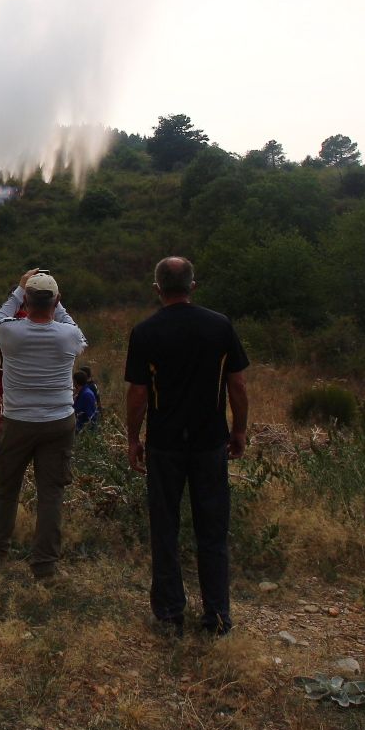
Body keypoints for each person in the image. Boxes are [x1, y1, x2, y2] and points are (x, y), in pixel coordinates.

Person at [125, 256, 249, 636]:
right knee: (212, 529)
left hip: (164, 444)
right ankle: (216, 616)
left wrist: (133, 438)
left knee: (165, 527)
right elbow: (238, 386)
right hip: (210, 441)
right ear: (193, 286)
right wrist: (239, 430)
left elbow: (138, 394)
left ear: (157, 289)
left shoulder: (145, 332)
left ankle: (169, 613)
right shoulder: (219, 325)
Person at [0, 269, 87, 582]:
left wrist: (18, 289)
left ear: (25, 302)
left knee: (6, 487)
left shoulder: (11, 332)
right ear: (55, 301)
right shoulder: (68, 335)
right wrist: (57, 302)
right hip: (59, 421)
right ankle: (44, 567)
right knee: (51, 495)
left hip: (18, 422)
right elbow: (73, 326)